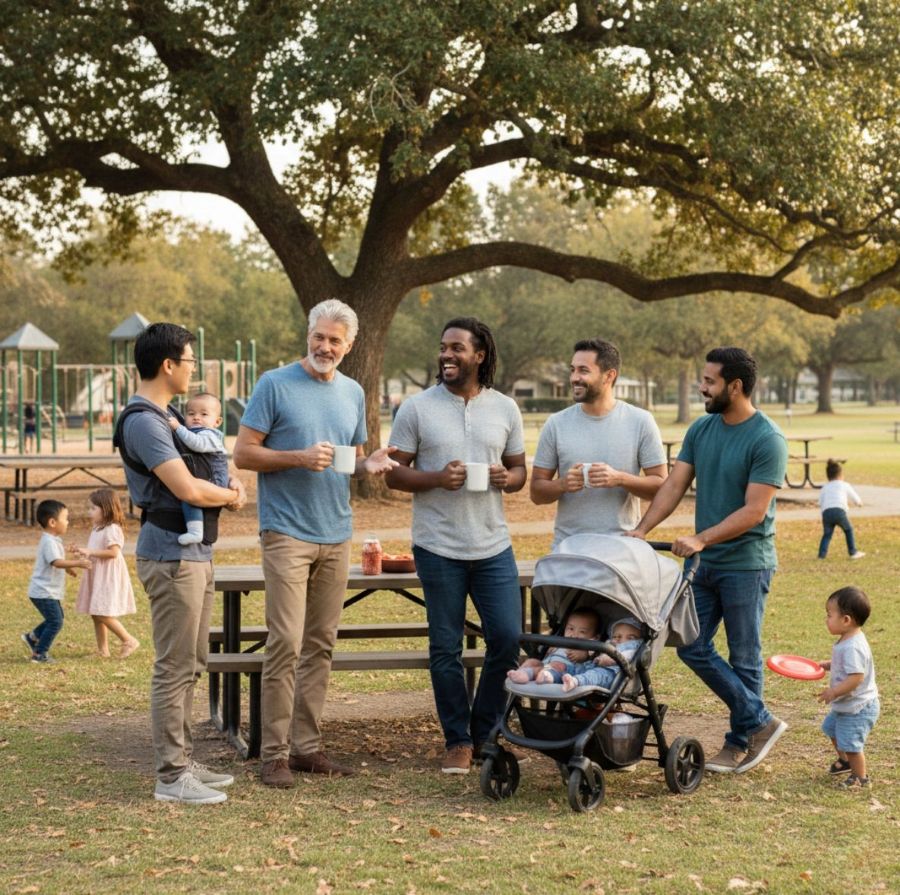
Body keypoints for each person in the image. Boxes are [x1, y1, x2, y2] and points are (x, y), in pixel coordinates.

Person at [234, 299, 397, 788]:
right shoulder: (274, 384)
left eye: (335, 341)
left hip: (336, 532)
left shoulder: (352, 392)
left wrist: (368, 465)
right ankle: (274, 755)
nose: (325, 347)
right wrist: (298, 457)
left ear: (350, 345)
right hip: (286, 531)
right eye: (319, 337)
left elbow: (352, 458)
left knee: (320, 644)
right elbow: (244, 454)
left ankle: (307, 748)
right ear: (308, 335)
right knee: (285, 641)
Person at [627, 347, 789, 774]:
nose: (702, 387)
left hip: (747, 564)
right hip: (705, 564)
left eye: (709, 381)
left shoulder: (767, 439)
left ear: (734, 386)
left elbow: (754, 511)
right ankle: (760, 722)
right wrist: (641, 530)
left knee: (744, 657)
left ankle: (739, 744)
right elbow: (673, 486)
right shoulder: (701, 429)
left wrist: (700, 537)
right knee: (690, 644)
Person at [386, 316, 527, 775]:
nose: (446, 355)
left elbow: (520, 472)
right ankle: (458, 741)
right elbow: (392, 473)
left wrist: (508, 478)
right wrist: (435, 478)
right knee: (445, 647)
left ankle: (486, 732)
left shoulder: (505, 408)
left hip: (493, 546)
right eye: (443, 347)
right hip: (437, 546)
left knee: (506, 639)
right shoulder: (416, 408)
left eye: (457, 348)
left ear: (479, 355)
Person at [117, 322, 246, 805]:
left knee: (193, 663)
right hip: (171, 555)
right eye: (190, 361)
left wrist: (231, 482)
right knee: (174, 667)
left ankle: (182, 760)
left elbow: (206, 464)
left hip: (193, 552)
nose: (193, 369)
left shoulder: (169, 415)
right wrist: (230, 498)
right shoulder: (145, 422)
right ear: (168, 364)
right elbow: (186, 488)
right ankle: (171, 777)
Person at [530, 339, 667, 549]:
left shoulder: (640, 421)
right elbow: (536, 493)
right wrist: (563, 484)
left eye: (583, 370)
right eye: (572, 370)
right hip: (568, 549)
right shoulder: (556, 423)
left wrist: (619, 478)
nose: (574, 378)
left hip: (622, 548)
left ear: (609, 376)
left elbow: (661, 488)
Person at [817, 586, 879, 790]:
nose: (826, 619)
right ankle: (845, 761)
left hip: (858, 708)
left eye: (829, 615)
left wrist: (834, 691)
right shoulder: (848, 639)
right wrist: (828, 665)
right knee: (831, 729)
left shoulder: (853, 647)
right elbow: (845, 666)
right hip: (847, 704)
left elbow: (856, 677)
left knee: (852, 744)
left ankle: (860, 778)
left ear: (846, 620)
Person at [73, 488, 140, 659]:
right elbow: (95, 549)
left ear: (106, 509)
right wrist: (83, 552)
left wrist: (90, 551)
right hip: (98, 574)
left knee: (102, 612)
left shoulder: (112, 528)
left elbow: (114, 553)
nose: (89, 512)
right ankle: (103, 651)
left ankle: (128, 640)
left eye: (93, 508)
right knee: (96, 612)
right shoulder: (97, 528)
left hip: (107, 576)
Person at [21, 500, 91, 663]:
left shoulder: (54, 540)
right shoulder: (49, 541)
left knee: (56, 619)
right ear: (52, 522)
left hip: (47, 591)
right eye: (65, 518)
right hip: (43, 591)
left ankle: (32, 637)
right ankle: (39, 654)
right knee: (55, 621)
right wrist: (77, 563)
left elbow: (56, 561)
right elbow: (56, 562)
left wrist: (68, 569)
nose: (68, 522)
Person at [167, 393, 230, 546]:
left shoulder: (210, 435)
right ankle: (199, 531)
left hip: (214, 479)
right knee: (191, 498)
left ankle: (196, 532)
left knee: (191, 496)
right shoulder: (194, 432)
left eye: (204, 414)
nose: (196, 417)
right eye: (191, 414)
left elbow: (196, 444)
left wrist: (178, 428)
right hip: (206, 476)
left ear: (217, 421)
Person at [507, 608, 602, 683]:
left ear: (595, 637)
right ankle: (522, 672)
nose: (574, 635)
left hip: (566, 672)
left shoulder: (589, 648)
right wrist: (551, 647)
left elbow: (593, 661)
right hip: (546, 665)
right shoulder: (561, 641)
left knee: (556, 665)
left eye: (582, 632)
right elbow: (542, 650)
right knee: (532, 661)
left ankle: (538, 675)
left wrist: (584, 655)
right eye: (571, 629)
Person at [562, 619, 644, 691]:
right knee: (574, 668)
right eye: (616, 636)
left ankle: (576, 681)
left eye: (630, 638)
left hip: (612, 674)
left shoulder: (633, 647)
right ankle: (556, 674)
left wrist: (613, 659)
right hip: (592, 667)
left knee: (595, 675)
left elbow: (629, 655)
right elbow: (595, 651)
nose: (620, 639)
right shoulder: (609, 644)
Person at [817, 460, 865, 560]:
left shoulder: (825, 487)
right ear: (840, 475)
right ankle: (853, 552)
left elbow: (820, 502)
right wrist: (859, 502)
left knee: (827, 534)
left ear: (828, 476)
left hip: (826, 513)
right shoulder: (844, 485)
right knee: (848, 530)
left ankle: (821, 555)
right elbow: (853, 495)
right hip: (839, 511)